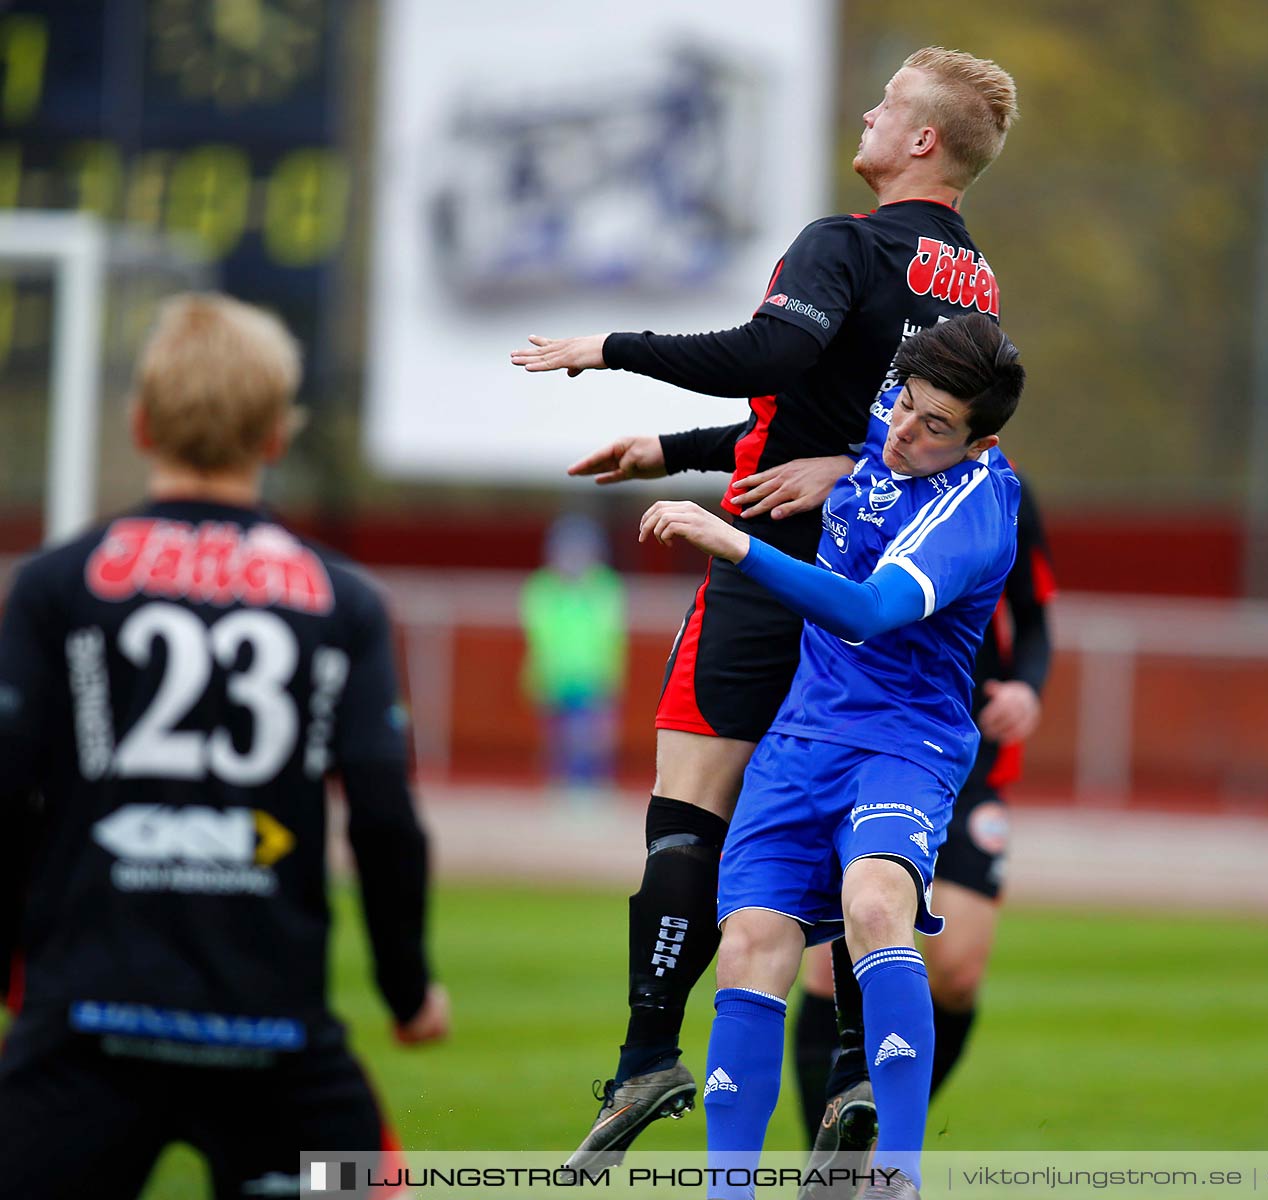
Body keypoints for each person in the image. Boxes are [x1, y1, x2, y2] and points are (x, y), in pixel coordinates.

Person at [509, 47, 1019, 1159]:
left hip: (768, 558)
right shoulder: (978, 288)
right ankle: (850, 1078)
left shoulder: (844, 240)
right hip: (864, 593)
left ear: (922, 141)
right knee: (845, 848)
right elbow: (862, 425)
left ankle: (648, 1054)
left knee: (689, 804)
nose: (871, 114)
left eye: (887, 104)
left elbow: (775, 353)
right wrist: (674, 449)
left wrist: (610, 347)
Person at [0, 294, 448, 1200]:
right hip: (270, 1028)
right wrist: (407, 989)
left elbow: (6, 792)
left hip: (82, 1020)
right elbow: (384, 818)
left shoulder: (55, 586)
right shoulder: (343, 601)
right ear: (277, 434)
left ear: (140, 421)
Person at [640, 314, 1023, 1200]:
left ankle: (898, 1174)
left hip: (902, 743)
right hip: (801, 739)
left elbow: (865, 610)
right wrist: (660, 448)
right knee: (750, 945)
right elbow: (769, 421)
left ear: (981, 441)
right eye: (904, 405)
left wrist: (734, 540)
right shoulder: (889, 422)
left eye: (934, 427)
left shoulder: (978, 507)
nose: (903, 431)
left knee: (875, 899)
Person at [791, 476, 1053, 1137]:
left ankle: (882, 1122)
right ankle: (829, 1168)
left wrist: (1026, 687)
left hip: (961, 757)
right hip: (858, 746)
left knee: (959, 972)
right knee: (829, 967)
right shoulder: (853, 480)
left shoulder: (1000, 498)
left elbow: (1035, 618)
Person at [520, 514, 628, 798]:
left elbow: (611, 633)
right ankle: (561, 785)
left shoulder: (604, 586)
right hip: (554, 676)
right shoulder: (543, 586)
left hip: (594, 676)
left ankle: (588, 786)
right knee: (559, 736)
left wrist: (609, 676)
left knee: (591, 736)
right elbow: (538, 633)